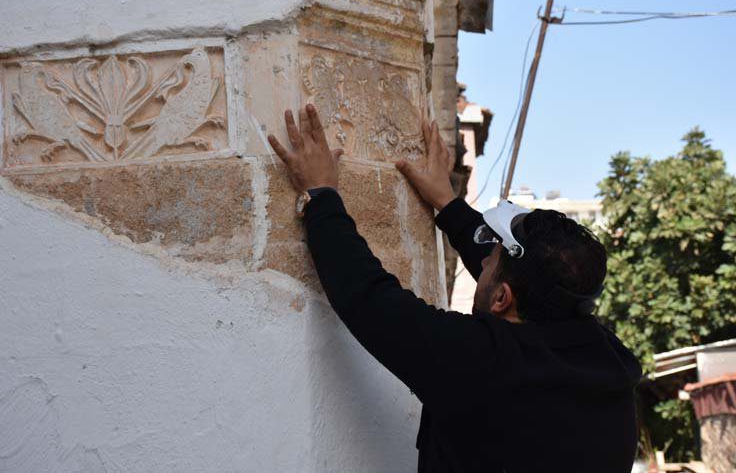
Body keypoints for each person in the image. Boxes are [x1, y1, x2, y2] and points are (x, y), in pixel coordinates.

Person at [267, 104, 642, 472]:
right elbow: (525, 275)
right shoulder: (609, 363)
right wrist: (448, 205)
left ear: (501, 299)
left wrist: (321, 196)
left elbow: (368, 297)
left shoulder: (483, 362)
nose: (482, 263)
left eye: (491, 261)